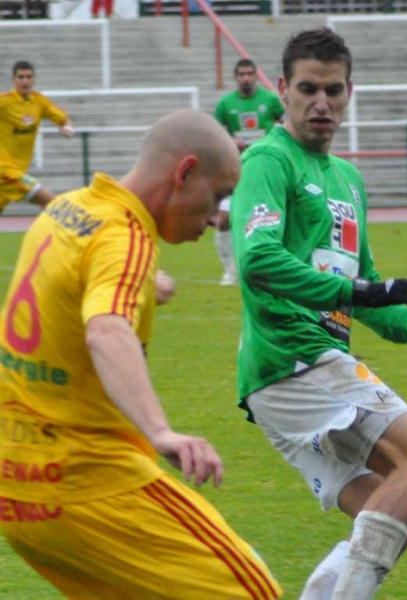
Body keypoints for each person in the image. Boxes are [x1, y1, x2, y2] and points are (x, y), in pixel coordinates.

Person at [0, 109, 282, 600]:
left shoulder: (67, 210)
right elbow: (106, 330)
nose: (216, 217)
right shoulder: (126, 241)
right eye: (217, 196)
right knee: (255, 592)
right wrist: (160, 431)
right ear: (184, 172)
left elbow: (74, 283)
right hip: (92, 486)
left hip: (19, 493)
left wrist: (148, 282)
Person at [229, 28, 407, 600]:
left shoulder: (348, 179)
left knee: (395, 516)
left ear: (349, 93)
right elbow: (258, 260)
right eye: (307, 88)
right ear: (281, 89)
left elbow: (363, 287)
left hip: (300, 369)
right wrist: (369, 290)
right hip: (291, 355)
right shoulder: (268, 159)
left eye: (333, 90)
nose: (321, 102)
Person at [213, 58, 285, 286]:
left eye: (249, 74)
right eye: (242, 74)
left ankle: (274, 268)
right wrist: (230, 140)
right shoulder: (226, 104)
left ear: (255, 76)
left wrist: (273, 139)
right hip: (235, 169)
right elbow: (214, 133)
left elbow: (288, 124)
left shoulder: (270, 100)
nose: (246, 78)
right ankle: (230, 270)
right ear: (236, 78)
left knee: (272, 217)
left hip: (264, 167)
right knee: (223, 220)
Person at [0, 61, 74, 214]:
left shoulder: (40, 101)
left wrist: (67, 127)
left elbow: (63, 118)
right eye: (21, 77)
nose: (25, 81)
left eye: (29, 77)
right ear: (13, 79)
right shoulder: (5, 101)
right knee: (50, 201)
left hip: (18, 170)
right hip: (5, 170)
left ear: (34, 79)